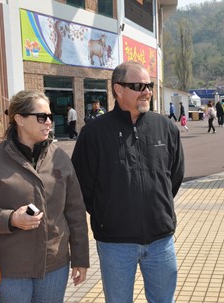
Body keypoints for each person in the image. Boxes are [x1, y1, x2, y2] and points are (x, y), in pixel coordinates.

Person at [71, 61, 185, 303]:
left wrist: (156, 208)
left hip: (160, 240)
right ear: (118, 90)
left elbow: (174, 177)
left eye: (149, 85)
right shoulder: (93, 133)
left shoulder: (165, 128)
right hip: (115, 243)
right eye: (138, 86)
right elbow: (83, 186)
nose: (147, 91)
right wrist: (108, 214)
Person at [0, 90, 89, 302]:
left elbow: (75, 212)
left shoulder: (60, 158)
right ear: (19, 119)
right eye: (42, 117)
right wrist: (11, 219)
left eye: (50, 116)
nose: (49, 122)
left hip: (54, 267)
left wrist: (80, 259)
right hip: (8, 269)